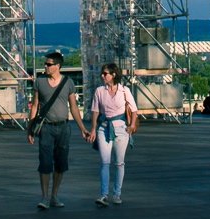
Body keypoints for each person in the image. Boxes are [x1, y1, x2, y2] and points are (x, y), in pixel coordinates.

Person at [27, 51, 82, 210]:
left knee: (61, 162)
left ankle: (54, 195)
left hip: (63, 127)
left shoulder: (68, 82)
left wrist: (82, 128)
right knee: (44, 162)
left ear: (58, 66)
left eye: (49, 64)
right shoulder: (40, 82)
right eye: (45, 63)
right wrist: (30, 129)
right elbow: (35, 106)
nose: (45, 66)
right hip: (46, 127)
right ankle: (44, 197)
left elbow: (74, 107)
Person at [85, 61, 139, 206]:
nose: (103, 76)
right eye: (102, 73)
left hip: (121, 128)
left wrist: (132, 125)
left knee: (119, 162)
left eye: (105, 73)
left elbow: (134, 109)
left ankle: (117, 194)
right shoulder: (99, 91)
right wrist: (93, 129)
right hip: (104, 127)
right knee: (105, 162)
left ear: (113, 75)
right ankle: (104, 194)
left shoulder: (124, 91)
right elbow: (95, 111)